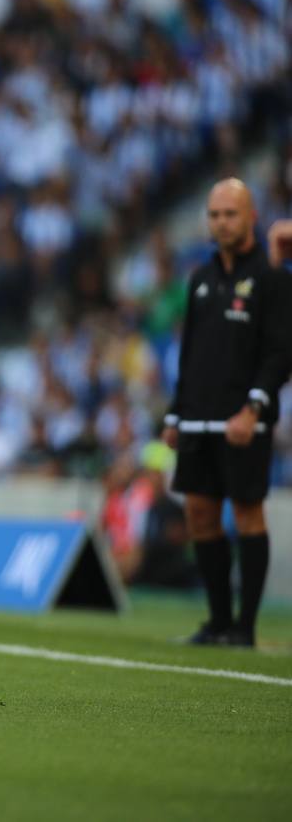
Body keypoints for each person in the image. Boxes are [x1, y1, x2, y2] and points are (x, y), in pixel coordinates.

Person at [161, 179, 292, 647]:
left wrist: (254, 407)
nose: (221, 223)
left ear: (251, 216)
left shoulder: (274, 276)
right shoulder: (200, 278)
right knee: (200, 515)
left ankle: (245, 628)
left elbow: (280, 352)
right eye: (214, 215)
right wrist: (176, 414)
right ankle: (217, 621)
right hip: (198, 418)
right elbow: (189, 353)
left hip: (243, 419)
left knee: (248, 514)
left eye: (230, 214)